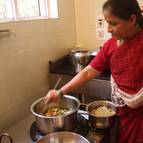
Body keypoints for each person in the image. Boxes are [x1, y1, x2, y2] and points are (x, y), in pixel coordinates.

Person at [45, 0, 143, 142]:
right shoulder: (111, 45)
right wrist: (60, 93)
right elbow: (89, 72)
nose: (108, 29)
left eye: (114, 23)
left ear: (132, 19)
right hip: (125, 114)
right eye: (107, 23)